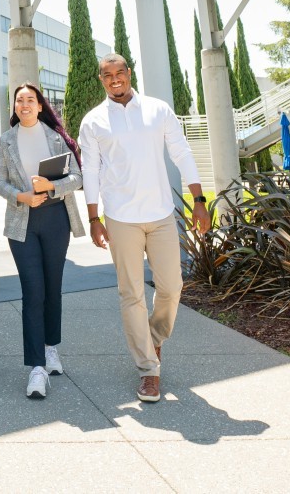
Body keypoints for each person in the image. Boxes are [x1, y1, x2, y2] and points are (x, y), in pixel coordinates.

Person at [77, 53, 210, 404]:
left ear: (129, 74)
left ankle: (154, 336)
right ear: (101, 79)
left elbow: (181, 152)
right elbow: (89, 170)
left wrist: (199, 201)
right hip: (120, 218)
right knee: (131, 294)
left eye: (120, 72)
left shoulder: (158, 109)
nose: (115, 79)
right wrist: (94, 218)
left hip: (162, 214)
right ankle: (149, 370)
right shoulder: (93, 121)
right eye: (107, 75)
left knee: (172, 286)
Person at [0, 82, 84, 399]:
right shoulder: (5, 141)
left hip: (56, 218)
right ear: (15, 107)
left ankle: (50, 348)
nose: (25, 104)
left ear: (40, 105)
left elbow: (76, 179)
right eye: (20, 100)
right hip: (23, 222)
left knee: (52, 287)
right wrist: (21, 196)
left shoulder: (56, 137)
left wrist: (49, 186)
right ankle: (36, 368)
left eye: (30, 99)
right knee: (33, 291)